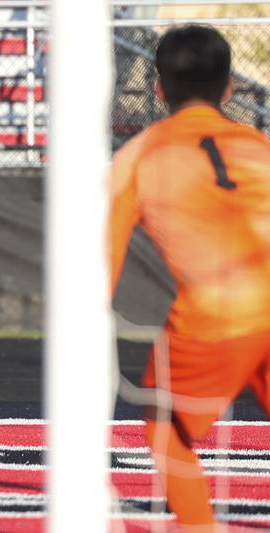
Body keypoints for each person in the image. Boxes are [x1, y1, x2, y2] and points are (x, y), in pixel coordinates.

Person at [109, 26, 270, 532]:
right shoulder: (258, 144)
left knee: (162, 421)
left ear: (158, 87)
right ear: (229, 89)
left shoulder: (139, 155)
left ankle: (199, 524)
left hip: (216, 316)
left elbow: (98, 264)